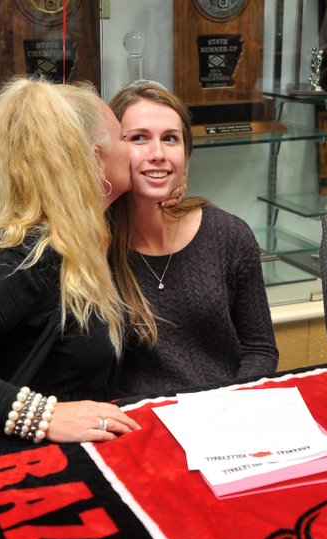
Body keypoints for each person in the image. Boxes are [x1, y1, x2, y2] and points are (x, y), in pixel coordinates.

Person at [0, 77, 179, 444]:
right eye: (126, 139)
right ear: (94, 158)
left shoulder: (86, 241)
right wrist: (41, 414)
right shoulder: (27, 253)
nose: (138, 152)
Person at [108, 80, 278, 396]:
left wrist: (228, 405)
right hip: (137, 425)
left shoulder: (229, 235)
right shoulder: (94, 244)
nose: (157, 153)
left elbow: (260, 349)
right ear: (111, 150)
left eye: (170, 139)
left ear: (186, 154)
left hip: (223, 414)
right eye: (139, 138)